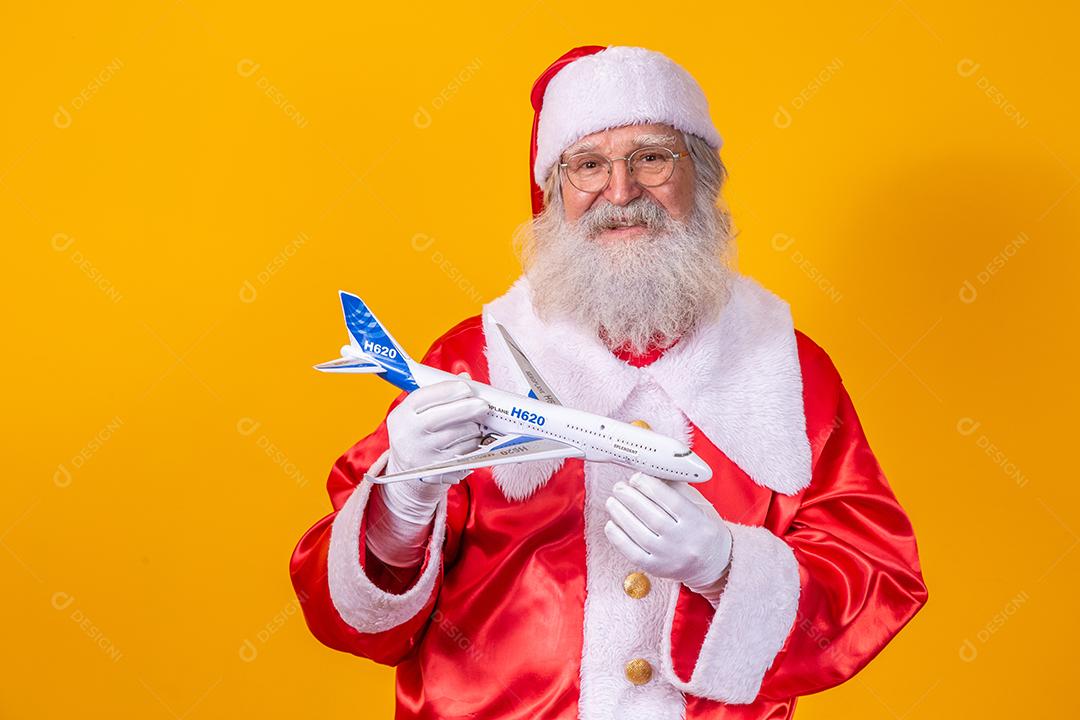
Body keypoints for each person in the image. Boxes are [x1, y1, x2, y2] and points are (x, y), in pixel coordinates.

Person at [289, 45, 928, 720]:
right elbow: (351, 621)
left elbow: (880, 576)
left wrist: (728, 567)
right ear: (553, 193)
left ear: (701, 179)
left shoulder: (787, 368)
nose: (620, 193)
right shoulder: (476, 357)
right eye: (588, 165)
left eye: (651, 157)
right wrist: (403, 502)